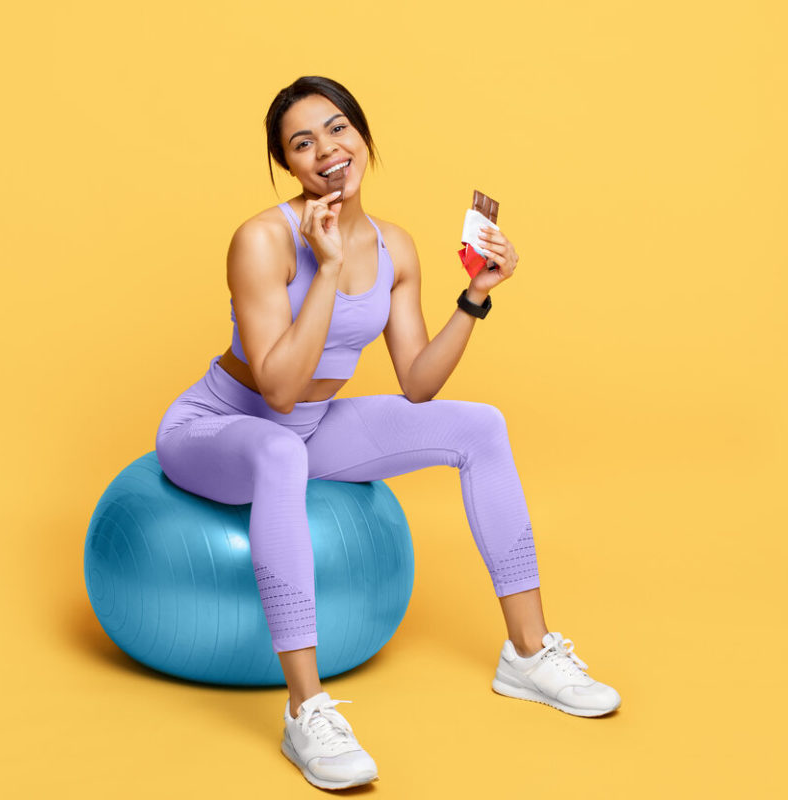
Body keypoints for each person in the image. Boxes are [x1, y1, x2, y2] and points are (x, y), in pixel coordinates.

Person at [154, 76, 620, 791]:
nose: (326, 150)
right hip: (219, 427)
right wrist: (329, 266)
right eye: (301, 143)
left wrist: (475, 297)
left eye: (338, 129)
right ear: (288, 166)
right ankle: (306, 709)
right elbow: (276, 390)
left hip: (307, 431)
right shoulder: (261, 239)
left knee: (481, 425)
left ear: (364, 138)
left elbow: (419, 383)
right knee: (280, 446)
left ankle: (528, 654)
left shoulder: (396, 246)